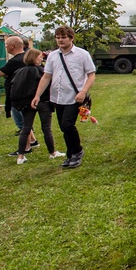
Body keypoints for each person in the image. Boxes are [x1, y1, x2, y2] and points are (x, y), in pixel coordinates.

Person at [32, 26, 96, 169]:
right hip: (58, 97)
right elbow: (46, 76)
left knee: (68, 125)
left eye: (63, 37)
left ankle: (77, 151)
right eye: (58, 37)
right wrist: (37, 95)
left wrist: (83, 91)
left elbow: (91, 74)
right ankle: (70, 154)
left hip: (75, 97)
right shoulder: (53, 56)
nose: (60, 40)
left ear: (71, 38)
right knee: (63, 127)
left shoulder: (82, 54)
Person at [12, 49, 65, 164]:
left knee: (26, 128)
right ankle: (52, 152)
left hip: (26, 103)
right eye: (40, 57)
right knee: (46, 128)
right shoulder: (42, 72)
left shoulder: (19, 72)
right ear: (35, 58)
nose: (42, 59)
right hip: (43, 102)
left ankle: (20, 156)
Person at [0, 36, 37, 150]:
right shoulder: (27, 58)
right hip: (28, 93)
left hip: (17, 95)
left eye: (7, 45)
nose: (6, 47)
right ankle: (33, 141)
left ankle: (25, 148)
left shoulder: (15, 61)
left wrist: (5, 73)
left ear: (12, 46)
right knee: (25, 120)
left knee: (21, 122)